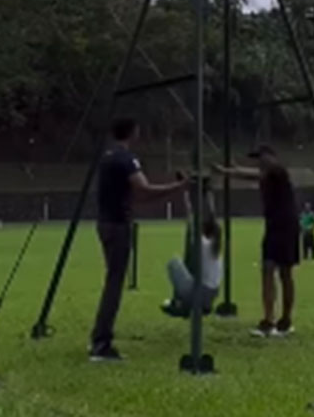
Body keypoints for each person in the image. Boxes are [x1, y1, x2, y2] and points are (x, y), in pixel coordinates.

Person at [90, 118, 188, 362]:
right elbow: (143, 191)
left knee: (112, 280)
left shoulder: (107, 157)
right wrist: (178, 187)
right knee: (114, 284)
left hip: (104, 223)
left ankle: (101, 338)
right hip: (118, 225)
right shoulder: (127, 159)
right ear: (133, 132)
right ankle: (101, 343)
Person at [214, 144, 300, 337]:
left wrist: (230, 172)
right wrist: (231, 170)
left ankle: (284, 320)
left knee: (285, 272)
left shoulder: (277, 171)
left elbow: (256, 174)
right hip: (274, 226)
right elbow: (254, 173)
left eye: (262, 158)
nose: (260, 162)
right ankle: (269, 320)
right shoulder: (267, 174)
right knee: (268, 269)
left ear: (272, 157)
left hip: (286, 225)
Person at [161, 185, 222, 317]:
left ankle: (179, 304)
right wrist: (209, 196)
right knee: (189, 268)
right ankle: (197, 305)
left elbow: (190, 217)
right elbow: (214, 218)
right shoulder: (216, 245)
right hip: (212, 293)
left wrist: (186, 194)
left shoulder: (201, 243)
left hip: (199, 293)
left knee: (174, 263)